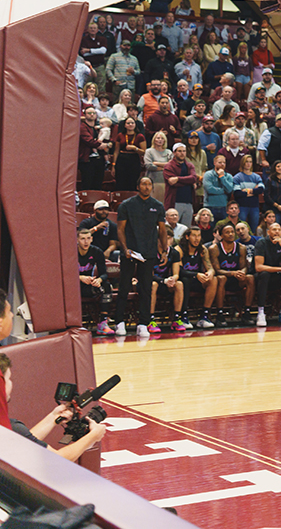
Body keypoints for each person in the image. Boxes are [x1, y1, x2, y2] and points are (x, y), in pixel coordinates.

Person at [0, 354, 108, 460]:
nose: (11, 383)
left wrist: (53, 417)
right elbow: (57, 461)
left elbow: (25, 442)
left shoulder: (9, 427)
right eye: (8, 379)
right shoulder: (11, 428)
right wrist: (93, 436)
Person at [113, 177, 171, 338]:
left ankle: (143, 323)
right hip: (130, 252)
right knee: (124, 286)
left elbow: (162, 230)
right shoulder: (126, 205)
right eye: (143, 184)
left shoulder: (158, 206)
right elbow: (120, 229)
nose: (146, 187)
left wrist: (164, 250)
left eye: (149, 184)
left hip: (149, 252)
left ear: (152, 187)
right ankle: (119, 322)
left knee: (146, 288)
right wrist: (124, 248)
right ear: (138, 186)